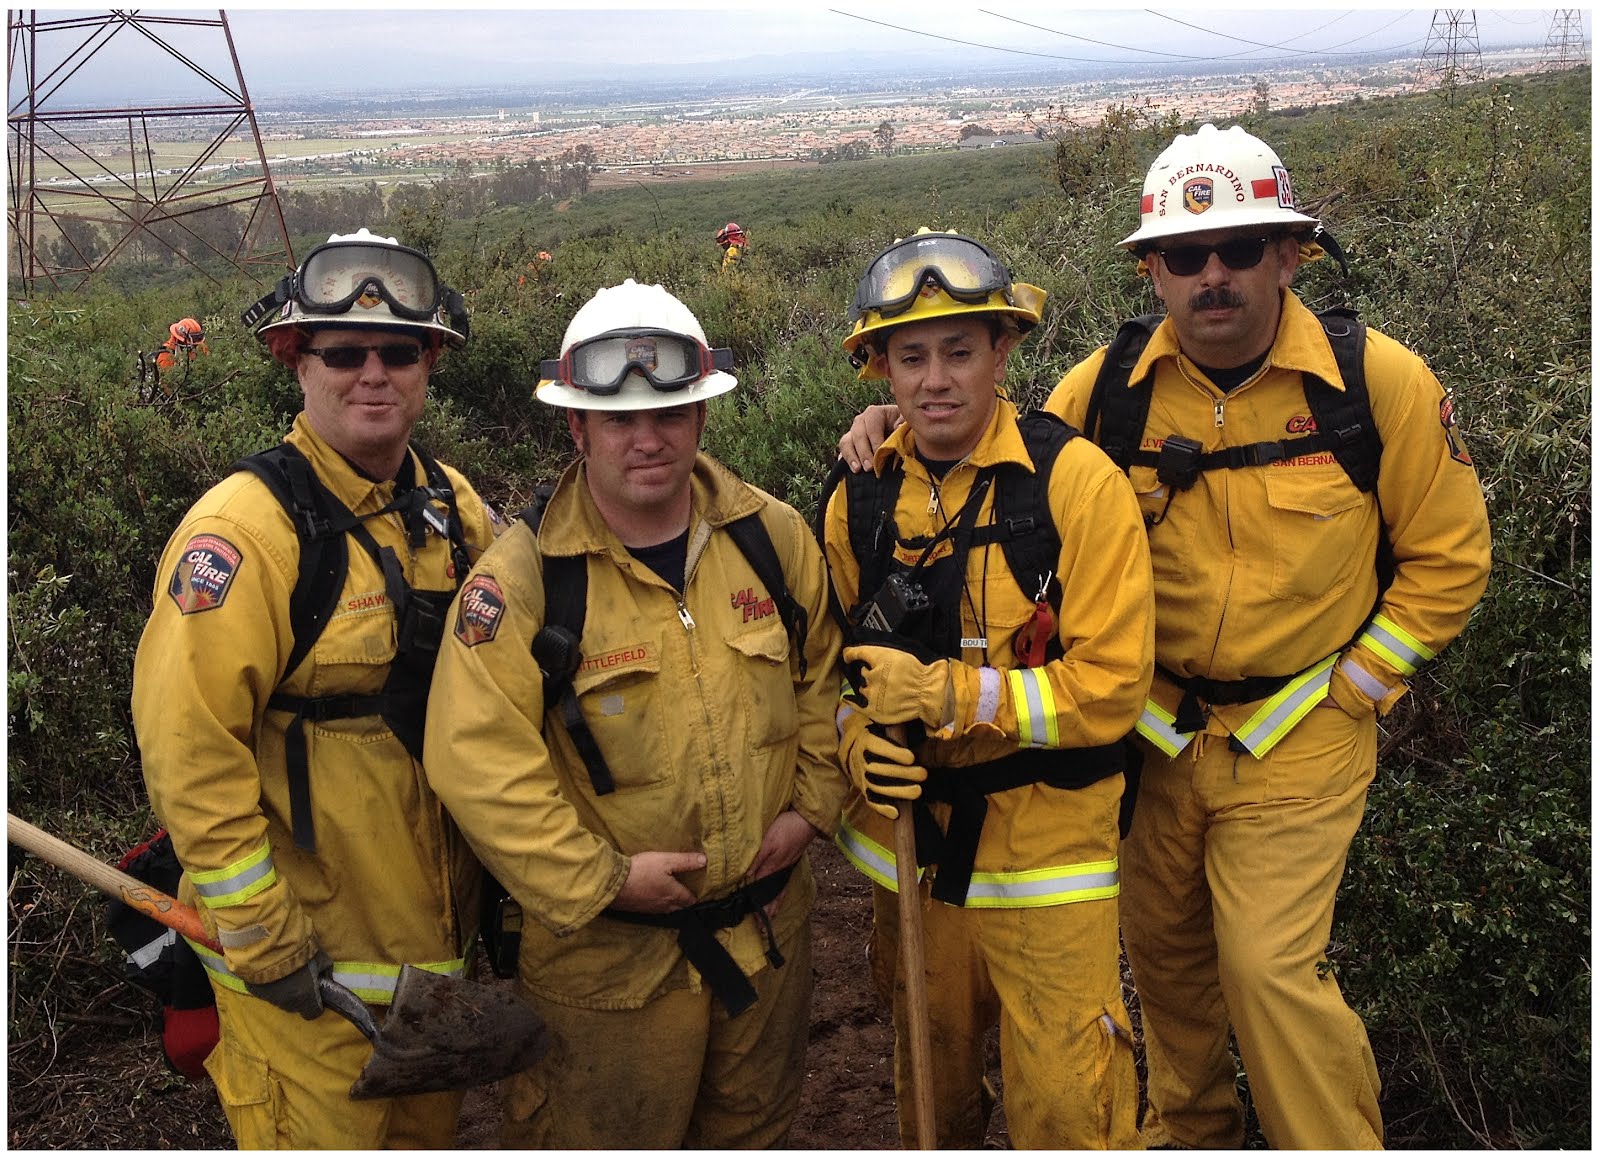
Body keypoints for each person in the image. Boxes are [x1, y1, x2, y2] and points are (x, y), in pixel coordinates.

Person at [837, 126, 1493, 1149]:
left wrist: (1361, 683)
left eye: (1240, 248)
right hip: (1147, 736)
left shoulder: (1379, 386)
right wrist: (891, 424)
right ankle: (1192, 1134)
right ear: (1153, 269)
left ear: (1291, 253)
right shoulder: (1103, 394)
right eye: (1185, 256)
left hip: (1302, 730)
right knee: (1170, 967)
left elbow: (1450, 557)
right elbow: (995, 450)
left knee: (1269, 971)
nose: (1213, 275)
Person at [423, 279, 847, 1149]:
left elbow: (822, 680)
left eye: (670, 413)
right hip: (606, 967)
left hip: (766, 936)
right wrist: (606, 881)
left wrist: (811, 809)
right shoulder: (523, 583)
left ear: (701, 417)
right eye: (618, 420)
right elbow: (477, 761)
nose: (647, 439)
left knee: (756, 1133)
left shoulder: (771, 538)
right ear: (576, 430)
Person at [132, 228, 499, 1149]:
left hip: (433, 980)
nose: (371, 372)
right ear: (295, 362)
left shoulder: (454, 510)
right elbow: (189, 751)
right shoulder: (244, 534)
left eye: (399, 351)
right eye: (342, 352)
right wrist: (261, 933)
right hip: (305, 993)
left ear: (431, 363)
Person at [820, 229, 1155, 1148]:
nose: (935, 380)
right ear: (879, 367)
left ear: (1003, 352)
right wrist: (856, 739)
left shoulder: (1075, 486)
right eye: (911, 355)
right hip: (915, 862)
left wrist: (957, 699)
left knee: (1065, 1109)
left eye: (960, 351)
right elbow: (836, 676)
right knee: (933, 1097)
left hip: (1050, 863)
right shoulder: (859, 499)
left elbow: (1115, 687)